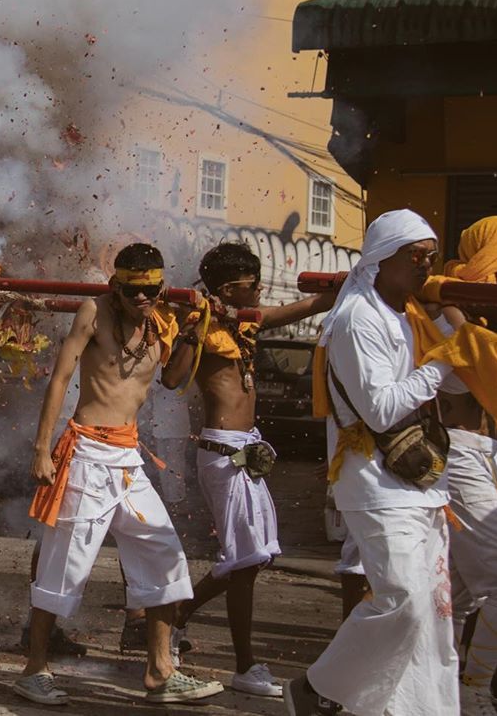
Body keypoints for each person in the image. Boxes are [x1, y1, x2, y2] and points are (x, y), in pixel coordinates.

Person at [15, 242, 222, 706]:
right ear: (116, 285)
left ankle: (160, 670)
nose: (143, 298)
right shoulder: (94, 312)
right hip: (86, 452)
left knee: (164, 554)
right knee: (63, 565)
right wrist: (42, 448)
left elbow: (171, 380)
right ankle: (34, 669)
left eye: (152, 289)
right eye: (133, 290)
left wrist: (193, 332)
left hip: (128, 458)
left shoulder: (162, 319)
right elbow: (60, 378)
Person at [284, 210, 459, 716]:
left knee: (432, 619)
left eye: (431, 256)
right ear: (383, 259)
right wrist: (445, 357)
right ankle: (319, 690)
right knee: (402, 600)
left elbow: (450, 385)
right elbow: (380, 407)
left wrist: (462, 335)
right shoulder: (356, 319)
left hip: (421, 484)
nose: (427, 266)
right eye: (417, 257)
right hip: (375, 483)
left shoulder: (408, 316)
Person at [161, 242, 335, 698]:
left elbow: (297, 309)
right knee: (247, 561)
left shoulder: (246, 324)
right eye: (250, 283)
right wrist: (193, 326)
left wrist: (339, 288)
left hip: (248, 449)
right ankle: (242, 663)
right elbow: (172, 378)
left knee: (255, 558)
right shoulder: (203, 324)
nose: (259, 289)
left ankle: (177, 618)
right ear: (226, 288)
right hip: (222, 453)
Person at [432, 216, 497, 711]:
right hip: (457, 453)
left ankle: (441, 687)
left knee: (456, 591)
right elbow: (477, 364)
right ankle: (476, 687)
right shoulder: (445, 310)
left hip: (486, 454)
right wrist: (457, 311)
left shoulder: (480, 311)